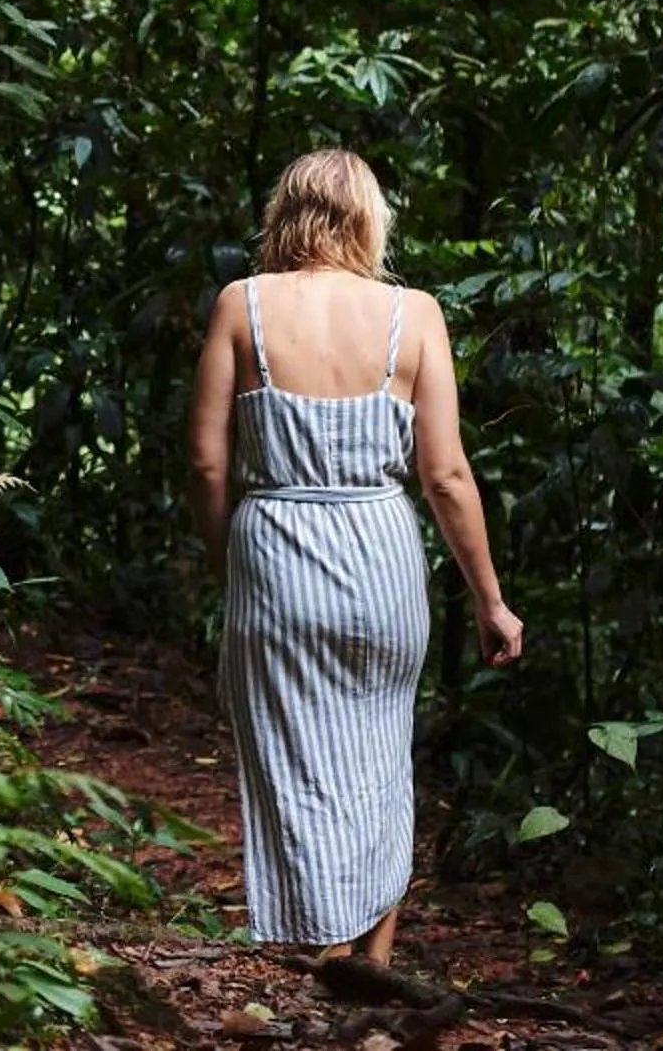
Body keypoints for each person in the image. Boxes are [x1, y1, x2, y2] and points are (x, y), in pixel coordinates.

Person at [183, 149, 523, 967]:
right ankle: (369, 963)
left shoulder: (243, 305)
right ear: (368, 220)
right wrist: (490, 600)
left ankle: (325, 961)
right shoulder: (416, 313)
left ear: (284, 214)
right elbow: (443, 474)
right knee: (378, 759)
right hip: (380, 558)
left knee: (295, 765)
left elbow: (203, 461)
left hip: (275, 556)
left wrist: (231, 557)